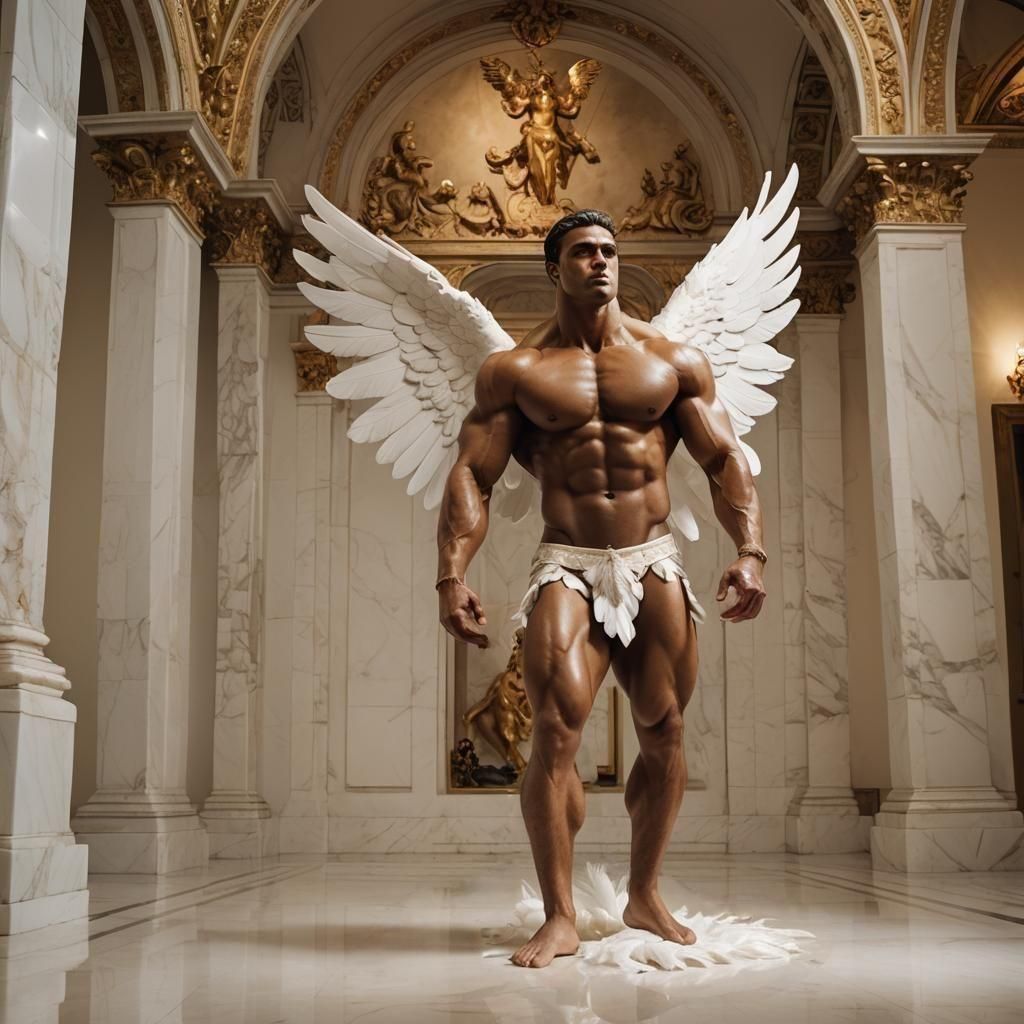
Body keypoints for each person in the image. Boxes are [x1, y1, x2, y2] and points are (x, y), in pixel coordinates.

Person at [434, 209, 769, 968]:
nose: (601, 263)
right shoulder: (514, 371)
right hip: (567, 562)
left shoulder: (671, 359)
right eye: (584, 253)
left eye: (610, 252)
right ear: (555, 269)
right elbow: (472, 476)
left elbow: (725, 460)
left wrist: (751, 549)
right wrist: (450, 576)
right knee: (553, 731)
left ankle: (644, 893)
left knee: (664, 730)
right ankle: (558, 915)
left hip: (654, 558)